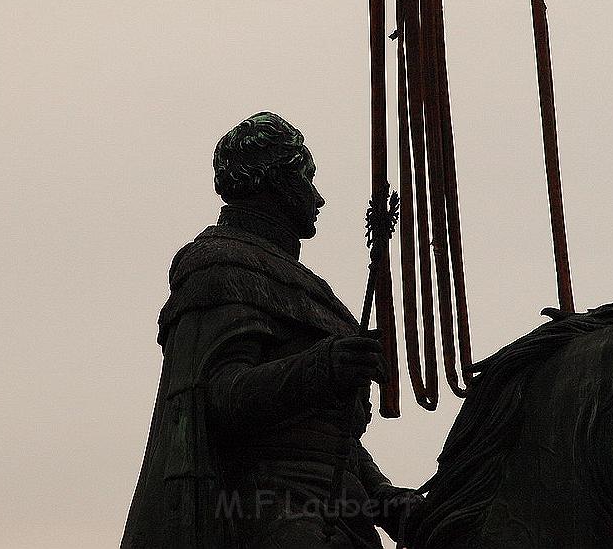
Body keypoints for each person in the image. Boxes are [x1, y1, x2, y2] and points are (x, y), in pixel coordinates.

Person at [121, 112, 421, 549]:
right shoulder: (219, 265)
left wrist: (382, 497)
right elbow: (217, 398)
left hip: (343, 518)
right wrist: (322, 365)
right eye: (306, 177)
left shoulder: (313, 290)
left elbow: (329, 437)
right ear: (272, 179)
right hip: (264, 513)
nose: (317, 198)